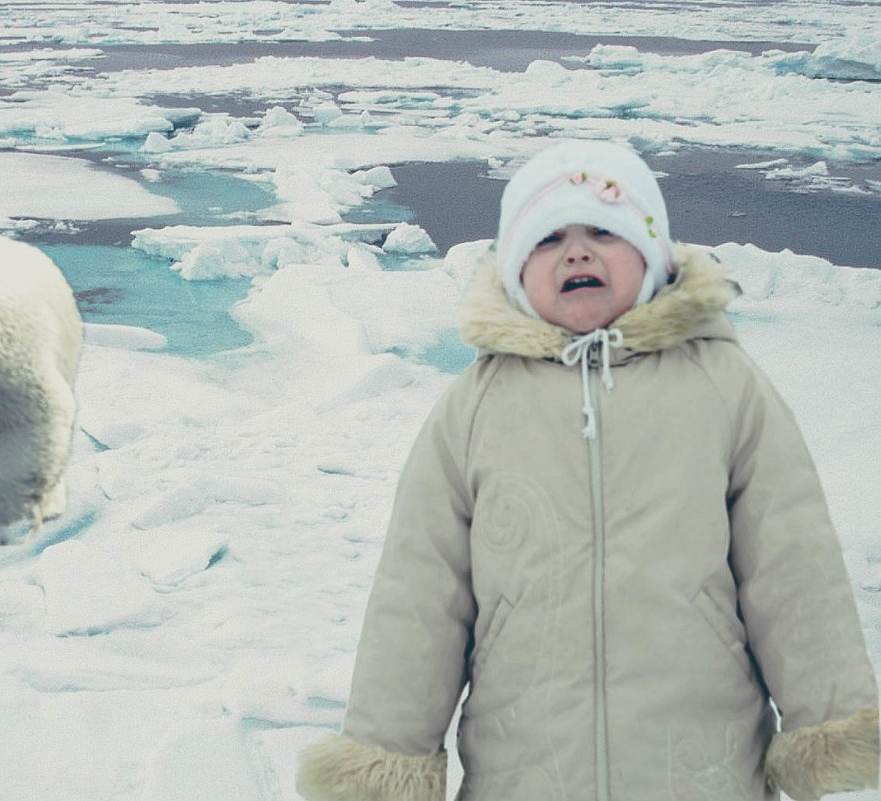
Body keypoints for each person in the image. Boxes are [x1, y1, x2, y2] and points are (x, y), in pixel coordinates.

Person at [294, 140, 878, 801]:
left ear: (652, 255)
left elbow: (793, 565)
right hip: (524, 776)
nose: (576, 251)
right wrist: (389, 750)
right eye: (548, 239)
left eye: (604, 230)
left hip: (699, 774)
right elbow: (419, 595)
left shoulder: (724, 386)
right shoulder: (475, 407)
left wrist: (828, 719)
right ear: (517, 272)